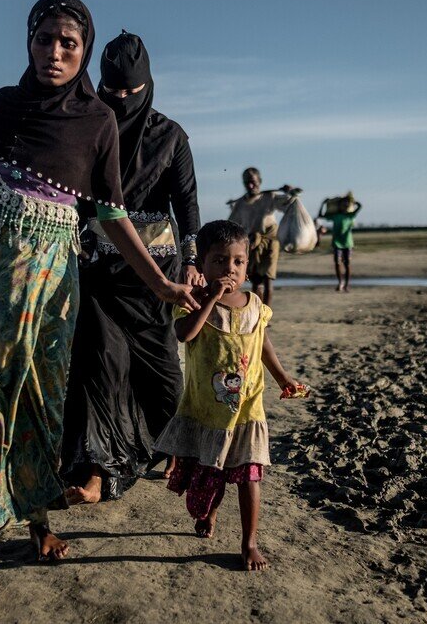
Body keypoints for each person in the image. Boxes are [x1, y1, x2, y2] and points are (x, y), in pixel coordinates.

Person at [0, 0, 199, 600]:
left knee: (37, 417)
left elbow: (114, 216)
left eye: (69, 43)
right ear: (28, 42)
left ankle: (37, 524)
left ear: (84, 51)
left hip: (51, 304)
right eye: (45, 39)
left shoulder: (95, 122)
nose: (55, 53)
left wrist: (165, 282)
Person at [60, 30, 202, 504]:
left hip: (156, 280)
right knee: (100, 365)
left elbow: (187, 209)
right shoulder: (87, 130)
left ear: (148, 86)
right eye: (111, 92)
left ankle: (172, 449)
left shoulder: (171, 136)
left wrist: (194, 264)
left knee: (164, 374)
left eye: (131, 93)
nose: (120, 101)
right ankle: (98, 471)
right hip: (98, 271)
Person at [153, 220, 307, 571]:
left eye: (238, 261)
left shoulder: (255, 303)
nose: (230, 269)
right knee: (214, 472)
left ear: (247, 265)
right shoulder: (192, 301)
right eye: (220, 261)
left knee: (249, 474)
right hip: (208, 410)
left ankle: (249, 542)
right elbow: (185, 335)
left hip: (248, 409)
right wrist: (211, 298)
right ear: (202, 265)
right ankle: (210, 514)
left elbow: (262, 343)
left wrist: (282, 377)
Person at [227, 168, 297, 307]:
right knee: (255, 280)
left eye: (253, 182)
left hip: (270, 241)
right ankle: (258, 314)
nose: (250, 186)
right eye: (247, 183)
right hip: (252, 243)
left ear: (260, 181)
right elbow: (231, 224)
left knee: (267, 279)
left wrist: (289, 193)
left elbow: (288, 205)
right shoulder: (240, 204)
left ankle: (267, 315)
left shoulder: (269, 197)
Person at [320, 194, 362, 292]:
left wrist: (353, 202)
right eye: (343, 203)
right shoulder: (335, 216)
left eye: (346, 204)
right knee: (337, 263)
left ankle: (347, 285)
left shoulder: (350, 215)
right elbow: (320, 215)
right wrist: (323, 204)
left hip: (348, 243)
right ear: (339, 205)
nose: (345, 205)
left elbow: (360, 206)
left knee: (347, 264)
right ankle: (340, 283)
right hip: (337, 243)